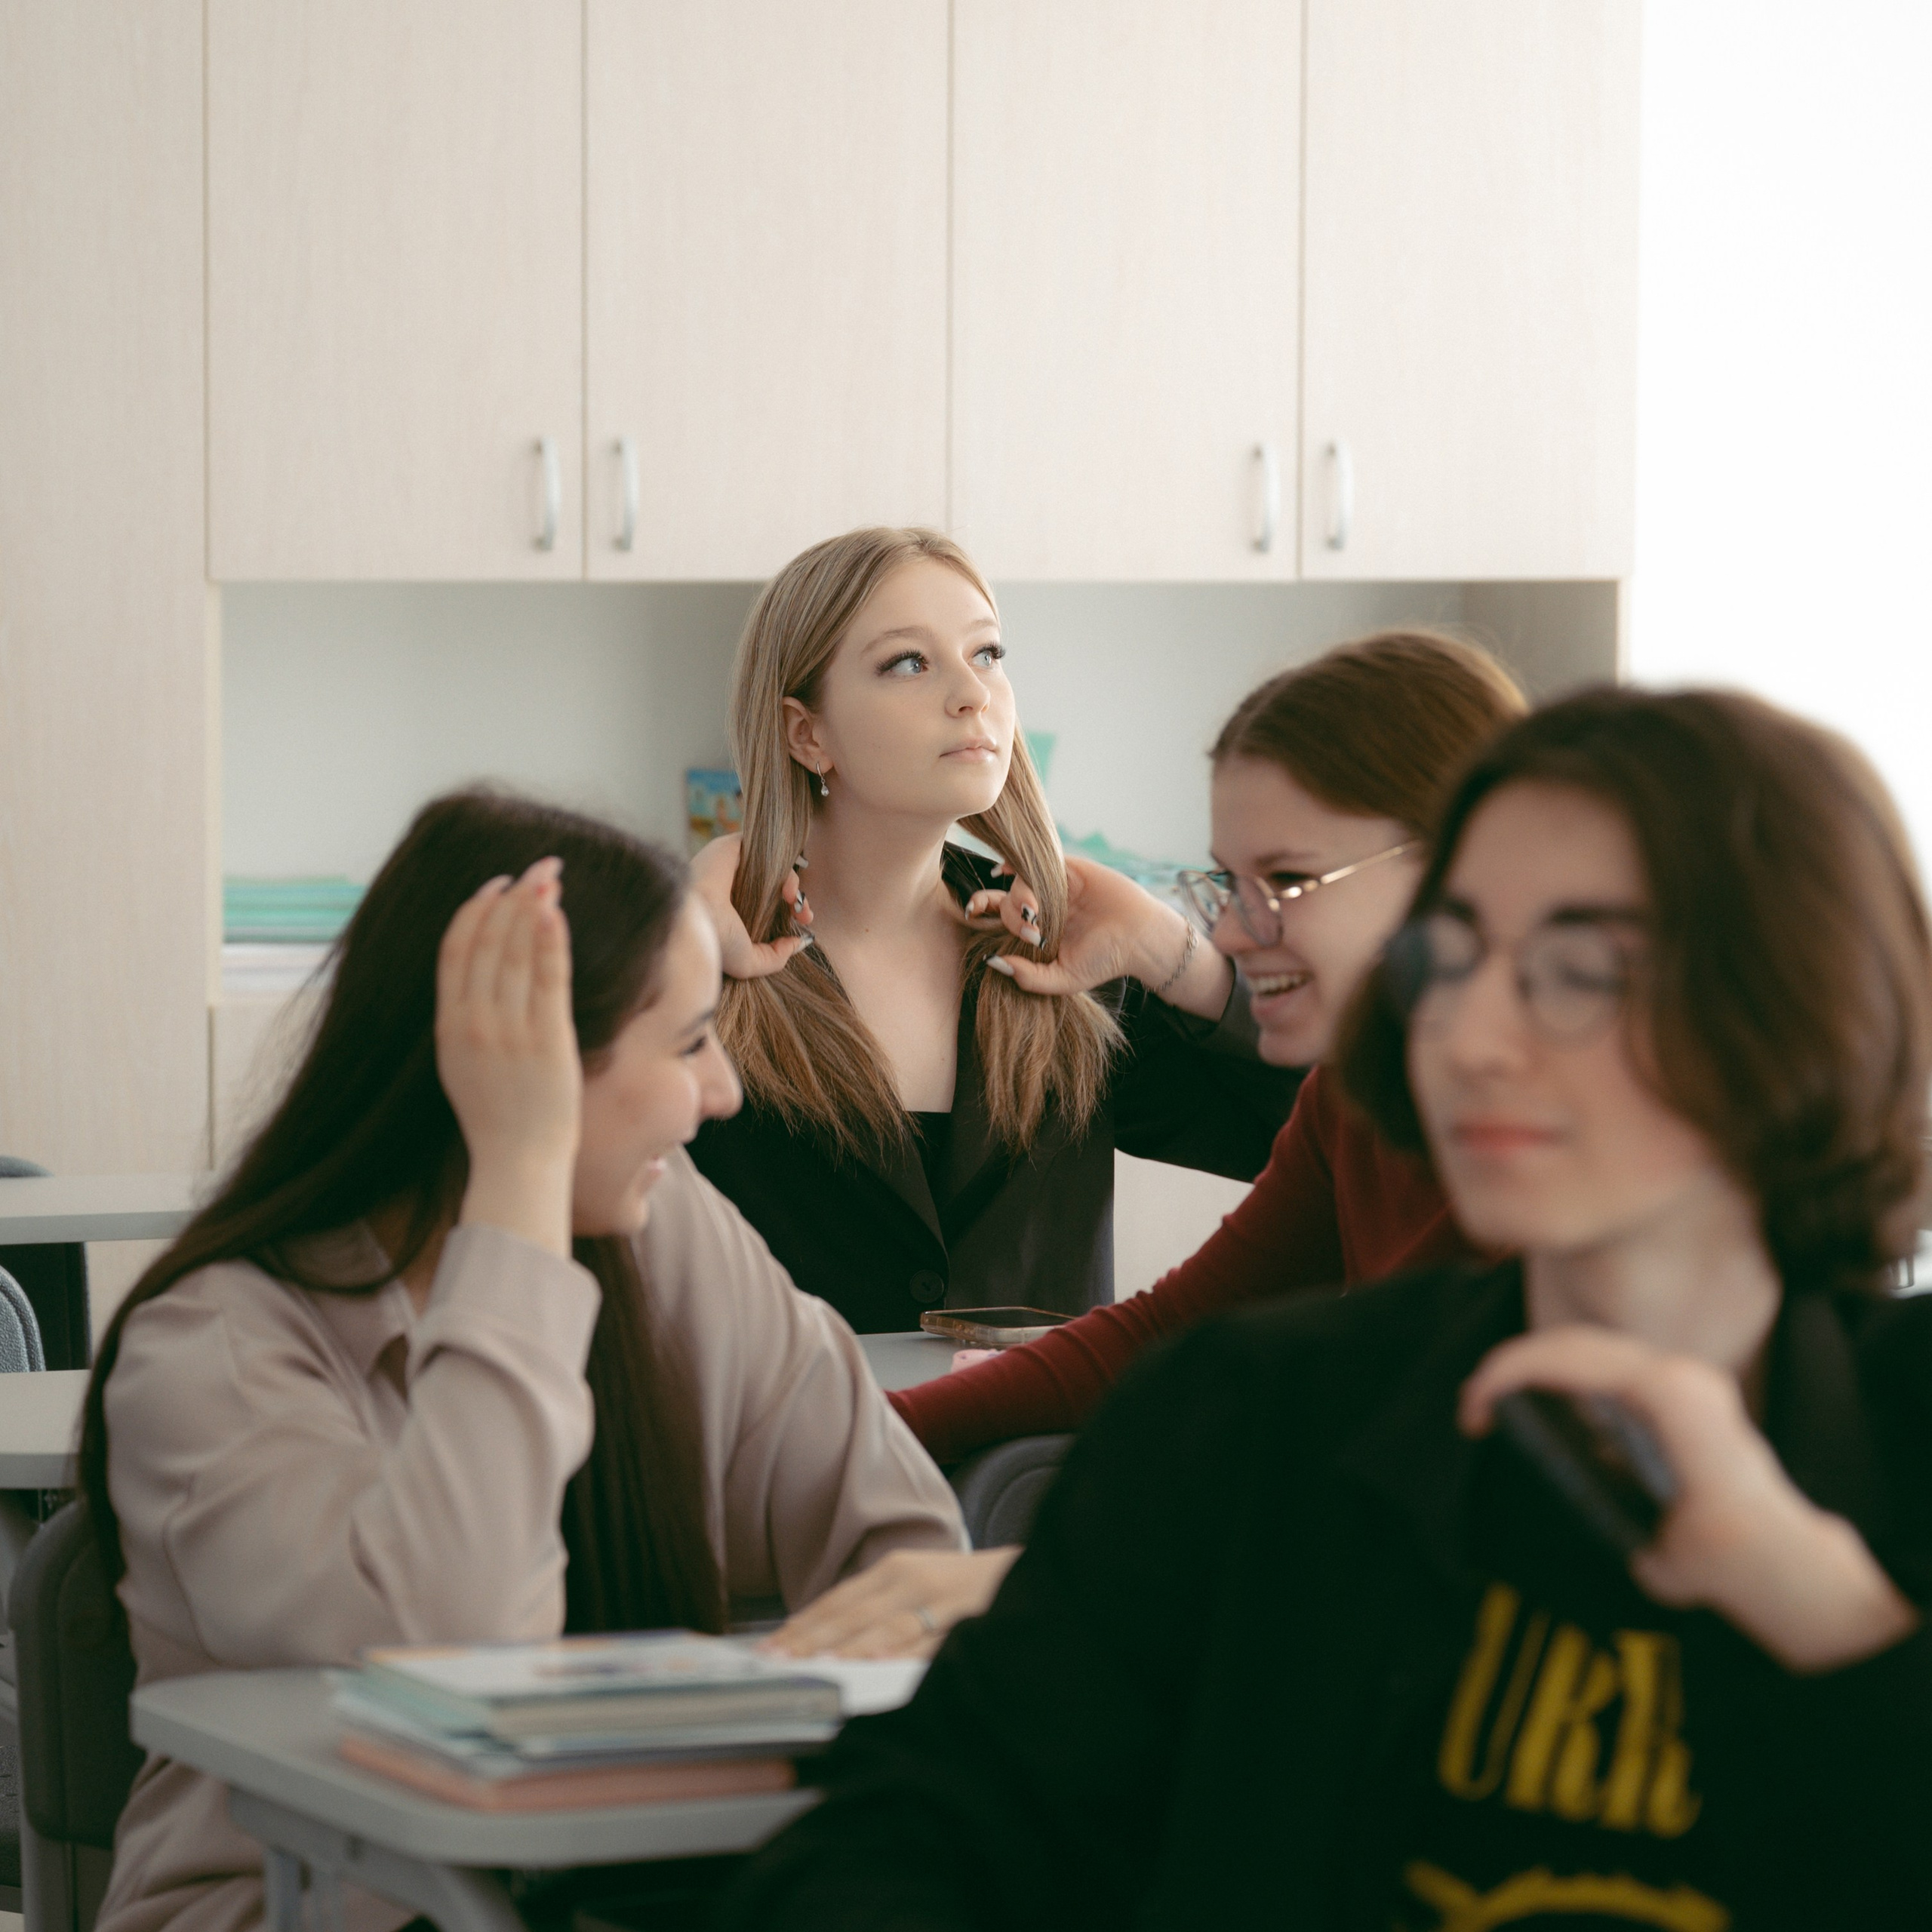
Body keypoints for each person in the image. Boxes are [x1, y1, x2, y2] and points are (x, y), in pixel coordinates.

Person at [726, 686, 1932, 1930]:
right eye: (1449, 961)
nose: (1471, 1036)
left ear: (1798, 1006)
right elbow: (911, 1843)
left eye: (1577, 972)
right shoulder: (1248, 1419)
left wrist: (1823, 1613)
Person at [82, 790, 964, 1932]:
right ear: (519, 1070)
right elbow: (462, 1657)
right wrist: (518, 1195)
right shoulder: (210, 1349)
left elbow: (904, 1555)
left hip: (627, 1892)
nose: (723, 1091)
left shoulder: (670, 1237)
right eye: (690, 1041)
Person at [771, 629, 1525, 1660]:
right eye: (1227, 885)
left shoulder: (1560, 1148)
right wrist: (849, 1445)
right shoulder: (1360, 1099)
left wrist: (1052, 1570)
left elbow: (1438, 1486)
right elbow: (1163, 1336)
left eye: (1289, 881)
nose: (1231, 931)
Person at [686, 526, 1302, 1337]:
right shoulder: (708, 960)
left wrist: (1170, 952)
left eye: (987, 653)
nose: (973, 695)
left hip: (1031, 1462)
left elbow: (1317, 1138)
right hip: (790, 1464)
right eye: (908, 662)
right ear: (807, 733)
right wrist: (672, 941)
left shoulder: (1054, 954)